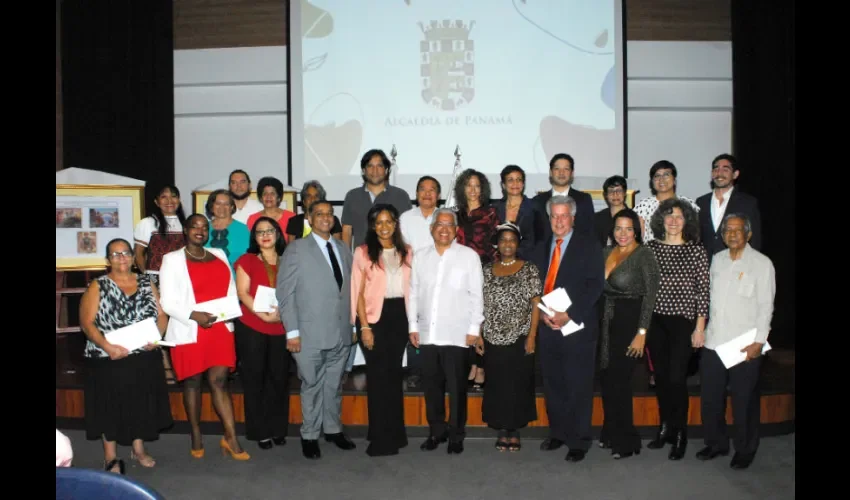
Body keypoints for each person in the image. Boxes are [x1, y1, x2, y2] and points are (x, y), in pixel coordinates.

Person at [159, 214, 249, 461]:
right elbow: (167, 301)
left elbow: (230, 290)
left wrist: (229, 313)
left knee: (220, 382)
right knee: (193, 383)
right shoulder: (172, 260)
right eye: (194, 226)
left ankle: (231, 437)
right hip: (190, 328)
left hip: (219, 327)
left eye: (204, 227)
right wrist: (193, 315)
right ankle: (196, 433)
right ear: (185, 230)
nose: (200, 230)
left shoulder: (219, 254)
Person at [79, 238, 173, 474]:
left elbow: (161, 314)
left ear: (133, 257)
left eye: (125, 253)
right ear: (107, 260)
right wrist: (107, 347)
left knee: (141, 402)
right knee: (109, 406)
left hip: (143, 354)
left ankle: (138, 449)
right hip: (107, 357)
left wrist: (157, 336)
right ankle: (110, 457)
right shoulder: (97, 286)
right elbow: (86, 323)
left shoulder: (146, 281)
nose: (121, 257)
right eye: (115, 254)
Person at [276, 200, 357, 459]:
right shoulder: (297, 249)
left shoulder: (344, 248)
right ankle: (310, 434)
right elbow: (285, 294)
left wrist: (353, 324)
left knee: (334, 385)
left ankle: (333, 430)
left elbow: (350, 292)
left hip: (341, 332)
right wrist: (292, 332)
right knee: (311, 385)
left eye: (329, 214)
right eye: (319, 214)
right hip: (309, 334)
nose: (325, 217)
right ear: (309, 219)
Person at [696, 213, 775, 470]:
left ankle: (745, 448)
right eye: (727, 230)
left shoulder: (762, 264)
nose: (731, 234)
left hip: (744, 343)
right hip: (714, 342)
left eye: (737, 230)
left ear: (748, 234)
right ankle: (716, 443)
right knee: (710, 399)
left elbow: (766, 306)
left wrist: (759, 341)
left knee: (743, 400)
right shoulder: (716, 260)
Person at [530, 196, 604, 463]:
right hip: (548, 326)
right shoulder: (540, 248)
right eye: (554, 216)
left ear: (573, 218)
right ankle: (559, 433)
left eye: (564, 216)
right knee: (554, 384)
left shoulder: (589, 246)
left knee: (578, 385)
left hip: (577, 326)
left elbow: (595, 285)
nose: (558, 221)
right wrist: (543, 314)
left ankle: (579, 439)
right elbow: (535, 287)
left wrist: (568, 314)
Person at [408, 208, 484, 455]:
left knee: (457, 388)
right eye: (439, 224)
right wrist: (412, 326)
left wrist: (474, 328)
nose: (443, 228)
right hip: (428, 334)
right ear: (431, 230)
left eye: (449, 225)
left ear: (455, 230)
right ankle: (436, 432)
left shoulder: (468, 256)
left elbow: (476, 295)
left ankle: (456, 435)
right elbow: (414, 293)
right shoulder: (420, 256)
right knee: (432, 389)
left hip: (458, 335)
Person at [645, 199, 710, 460]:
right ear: (661, 220)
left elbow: (703, 292)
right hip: (655, 322)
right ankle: (665, 428)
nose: (673, 221)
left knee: (676, 379)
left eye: (679, 217)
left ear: (687, 221)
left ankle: (680, 432)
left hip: (683, 323)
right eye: (669, 216)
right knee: (660, 378)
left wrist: (700, 328)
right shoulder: (650, 249)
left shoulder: (697, 250)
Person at [351, 204, 412, 456]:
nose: (384, 227)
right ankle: (379, 438)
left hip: (400, 318)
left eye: (388, 221)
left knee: (393, 377)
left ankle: (396, 434)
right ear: (373, 226)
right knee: (377, 379)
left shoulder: (407, 252)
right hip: (374, 319)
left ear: (395, 224)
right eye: (379, 222)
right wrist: (364, 326)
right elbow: (358, 293)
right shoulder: (363, 252)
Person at [598, 210, 660, 459]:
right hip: (605, 322)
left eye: (628, 228)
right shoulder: (605, 252)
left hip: (630, 322)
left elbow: (650, 296)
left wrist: (642, 332)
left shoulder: (644, 254)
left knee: (620, 382)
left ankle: (627, 441)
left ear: (636, 231)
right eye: (618, 228)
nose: (622, 234)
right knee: (607, 381)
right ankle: (611, 431)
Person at [476, 223, 540, 452]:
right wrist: (480, 334)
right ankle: (502, 429)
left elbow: (536, 304)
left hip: (520, 336)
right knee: (497, 385)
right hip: (492, 337)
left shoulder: (529, 268)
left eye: (512, 239)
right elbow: (479, 305)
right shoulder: (486, 270)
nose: (507, 244)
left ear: (518, 243)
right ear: (497, 244)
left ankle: (515, 430)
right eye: (503, 239)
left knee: (518, 385)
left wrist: (532, 335)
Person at [234, 217, 290, 450]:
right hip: (253, 326)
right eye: (259, 232)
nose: (265, 235)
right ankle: (260, 431)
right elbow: (242, 293)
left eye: (269, 230)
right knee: (255, 379)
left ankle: (278, 429)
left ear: (278, 234)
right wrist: (264, 316)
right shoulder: (246, 260)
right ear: (254, 238)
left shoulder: (288, 261)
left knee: (279, 380)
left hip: (281, 326)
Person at [453, 168, 500, 391]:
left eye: (477, 185)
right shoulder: (455, 214)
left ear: (483, 189)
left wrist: (497, 271)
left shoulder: (490, 214)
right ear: (462, 188)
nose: (472, 190)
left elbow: (496, 244)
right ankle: (470, 364)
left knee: (482, 320)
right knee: (464, 318)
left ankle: (481, 366)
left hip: (484, 271)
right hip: (459, 273)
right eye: (468, 185)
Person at [695, 154, 762, 262]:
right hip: (704, 267)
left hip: (735, 265)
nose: (719, 173)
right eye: (716, 168)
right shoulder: (701, 202)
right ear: (712, 174)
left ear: (735, 174)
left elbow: (754, 240)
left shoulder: (748, 203)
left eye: (725, 169)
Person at [341, 149, 412, 250]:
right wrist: (346, 260)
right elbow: (346, 231)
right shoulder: (352, 196)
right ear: (364, 170)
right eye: (370, 166)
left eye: (379, 166)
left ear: (386, 170)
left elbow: (407, 230)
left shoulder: (401, 196)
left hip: (393, 259)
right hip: (362, 261)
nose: (375, 171)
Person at [133, 185, 187, 288]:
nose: (169, 201)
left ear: (179, 200)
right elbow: (138, 254)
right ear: (156, 202)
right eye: (164, 197)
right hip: (156, 278)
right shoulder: (148, 223)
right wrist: (148, 277)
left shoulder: (187, 224)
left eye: (173, 196)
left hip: (182, 277)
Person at [532, 153, 595, 237]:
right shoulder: (537, 201)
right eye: (557, 169)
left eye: (566, 169)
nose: (561, 172)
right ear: (551, 172)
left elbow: (590, 231)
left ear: (572, 173)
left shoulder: (584, 199)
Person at [492, 165, 546, 259]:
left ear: (523, 184)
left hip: (528, 261)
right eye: (510, 180)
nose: (515, 184)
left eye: (519, 179)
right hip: (500, 262)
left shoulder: (535, 207)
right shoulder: (494, 208)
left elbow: (542, 239)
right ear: (503, 185)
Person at [205, 189, 251, 269]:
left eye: (226, 204)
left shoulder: (244, 230)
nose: (222, 207)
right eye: (218, 203)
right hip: (206, 278)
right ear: (212, 207)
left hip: (236, 279)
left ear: (232, 207)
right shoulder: (203, 229)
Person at [593, 175, 629, 248]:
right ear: (605, 195)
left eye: (619, 190)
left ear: (625, 193)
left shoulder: (634, 217)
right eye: (611, 191)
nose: (615, 194)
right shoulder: (596, 218)